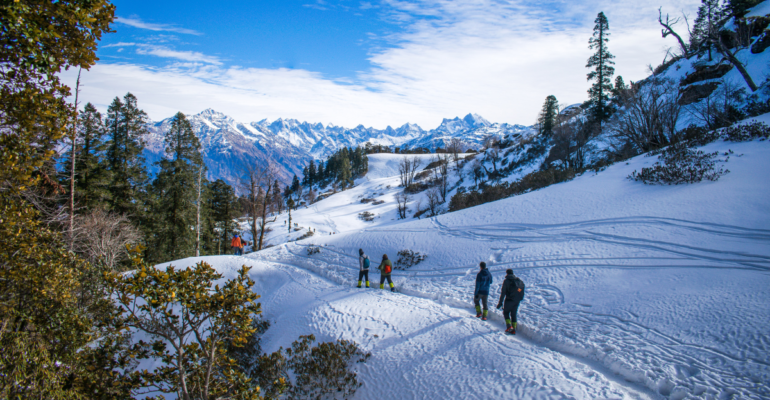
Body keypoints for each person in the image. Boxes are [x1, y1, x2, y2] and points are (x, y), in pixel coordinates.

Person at [496, 269, 525, 335]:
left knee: (506, 312)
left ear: (507, 273)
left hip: (509, 300)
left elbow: (503, 293)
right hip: (517, 300)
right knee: (513, 314)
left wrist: (500, 303)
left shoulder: (506, 281)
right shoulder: (518, 281)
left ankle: (509, 326)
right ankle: (513, 329)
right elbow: (520, 289)